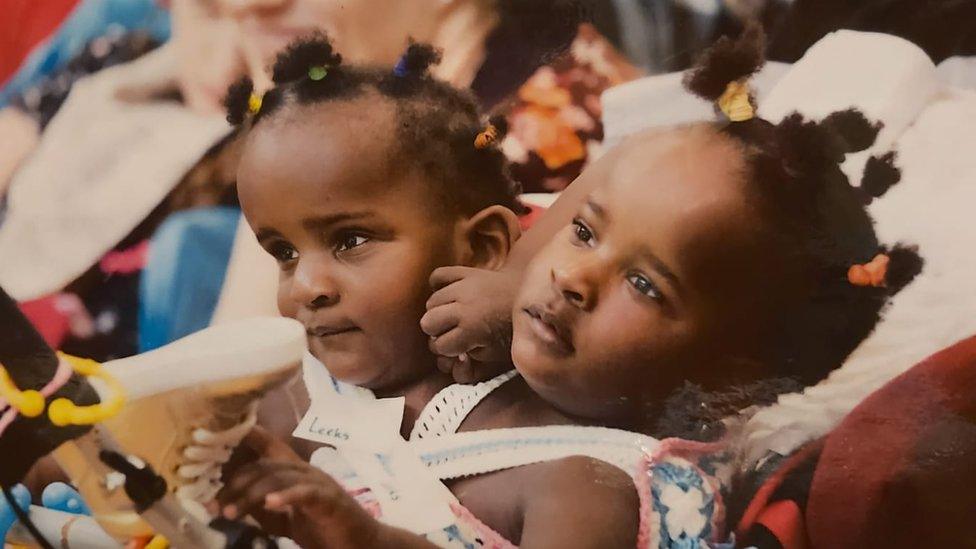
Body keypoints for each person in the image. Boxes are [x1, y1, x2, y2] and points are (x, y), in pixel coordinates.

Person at [217, 26, 923, 548]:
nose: (573, 276)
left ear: (723, 376)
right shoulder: (418, 371)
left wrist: (366, 540)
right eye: (584, 232)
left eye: (645, 284)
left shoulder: (592, 484)